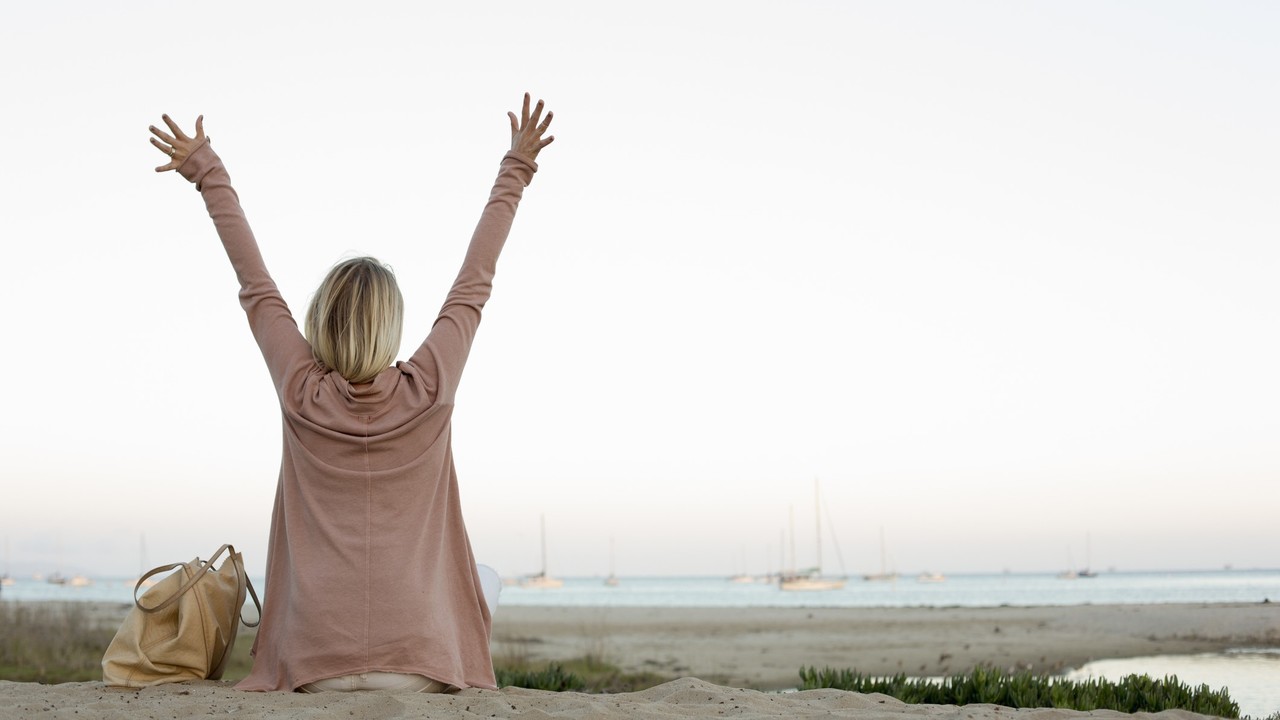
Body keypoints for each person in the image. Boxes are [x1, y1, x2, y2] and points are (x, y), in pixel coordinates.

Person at [148, 94, 554, 693]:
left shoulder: (299, 389)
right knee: (484, 575)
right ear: (391, 325)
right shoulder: (430, 387)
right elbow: (475, 283)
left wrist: (208, 171)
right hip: (419, 671)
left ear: (319, 321)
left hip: (314, 671)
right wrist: (516, 167)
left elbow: (255, 284)